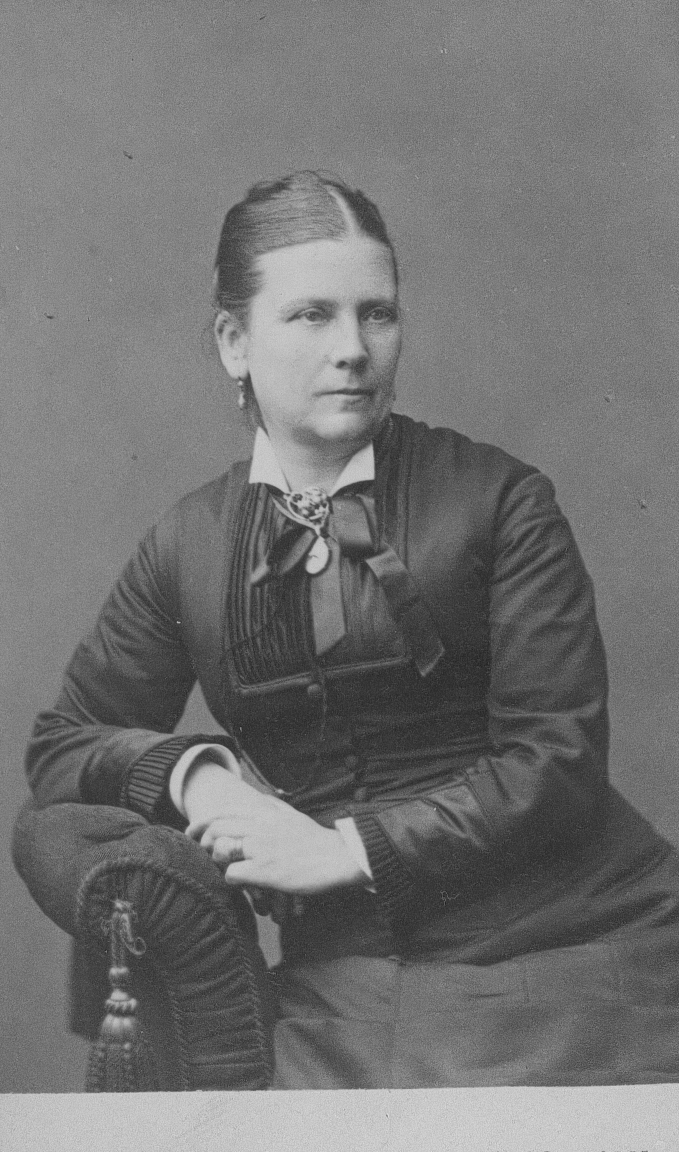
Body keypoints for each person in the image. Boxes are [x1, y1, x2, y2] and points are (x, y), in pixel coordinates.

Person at [24, 170, 679, 1088]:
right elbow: (62, 746)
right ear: (233, 342)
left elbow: (557, 761)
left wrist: (340, 849)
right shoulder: (190, 542)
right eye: (311, 316)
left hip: (570, 940)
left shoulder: (499, 500)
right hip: (346, 981)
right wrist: (199, 778)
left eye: (377, 314)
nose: (353, 350)